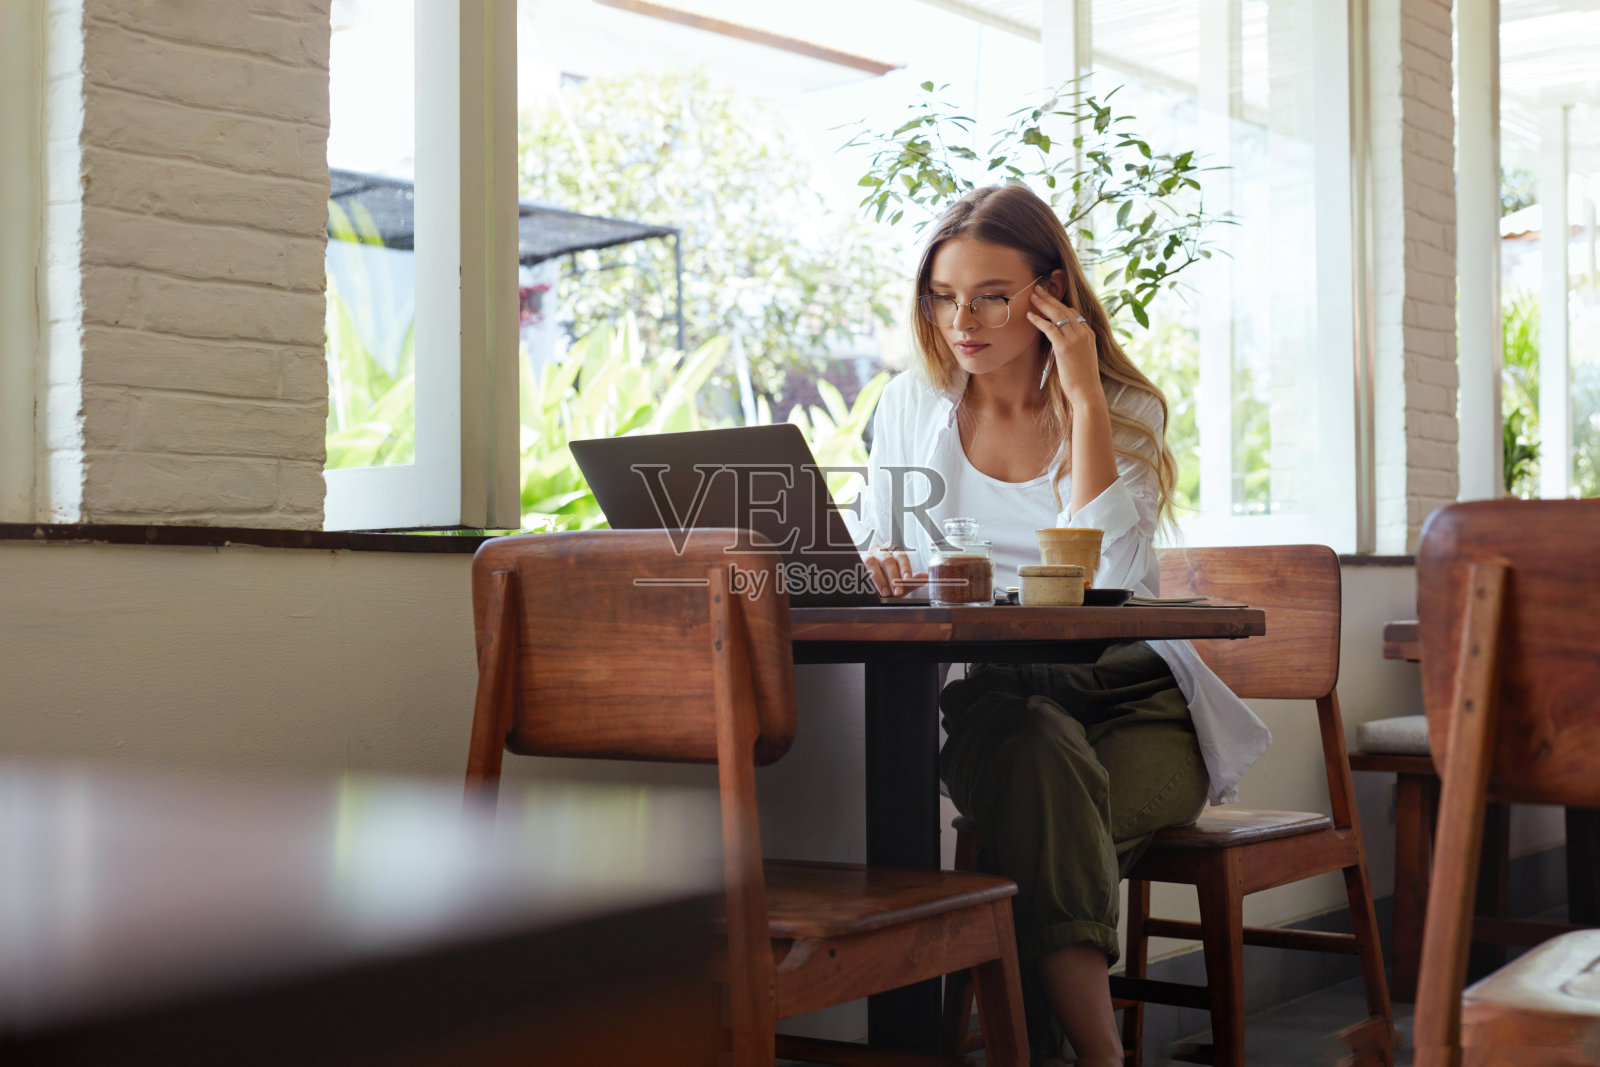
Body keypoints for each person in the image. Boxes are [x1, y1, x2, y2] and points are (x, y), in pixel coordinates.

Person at [848, 184, 1271, 1065]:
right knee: (1040, 762)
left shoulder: (1121, 408)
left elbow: (1109, 582)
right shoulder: (910, 405)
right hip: (1002, 700)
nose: (961, 321)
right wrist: (875, 560)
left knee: (1037, 832)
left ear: (1051, 293)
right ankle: (1103, 1056)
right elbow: (874, 543)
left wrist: (1081, 394)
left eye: (991, 296)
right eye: (943, 296)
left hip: (1135, 699)